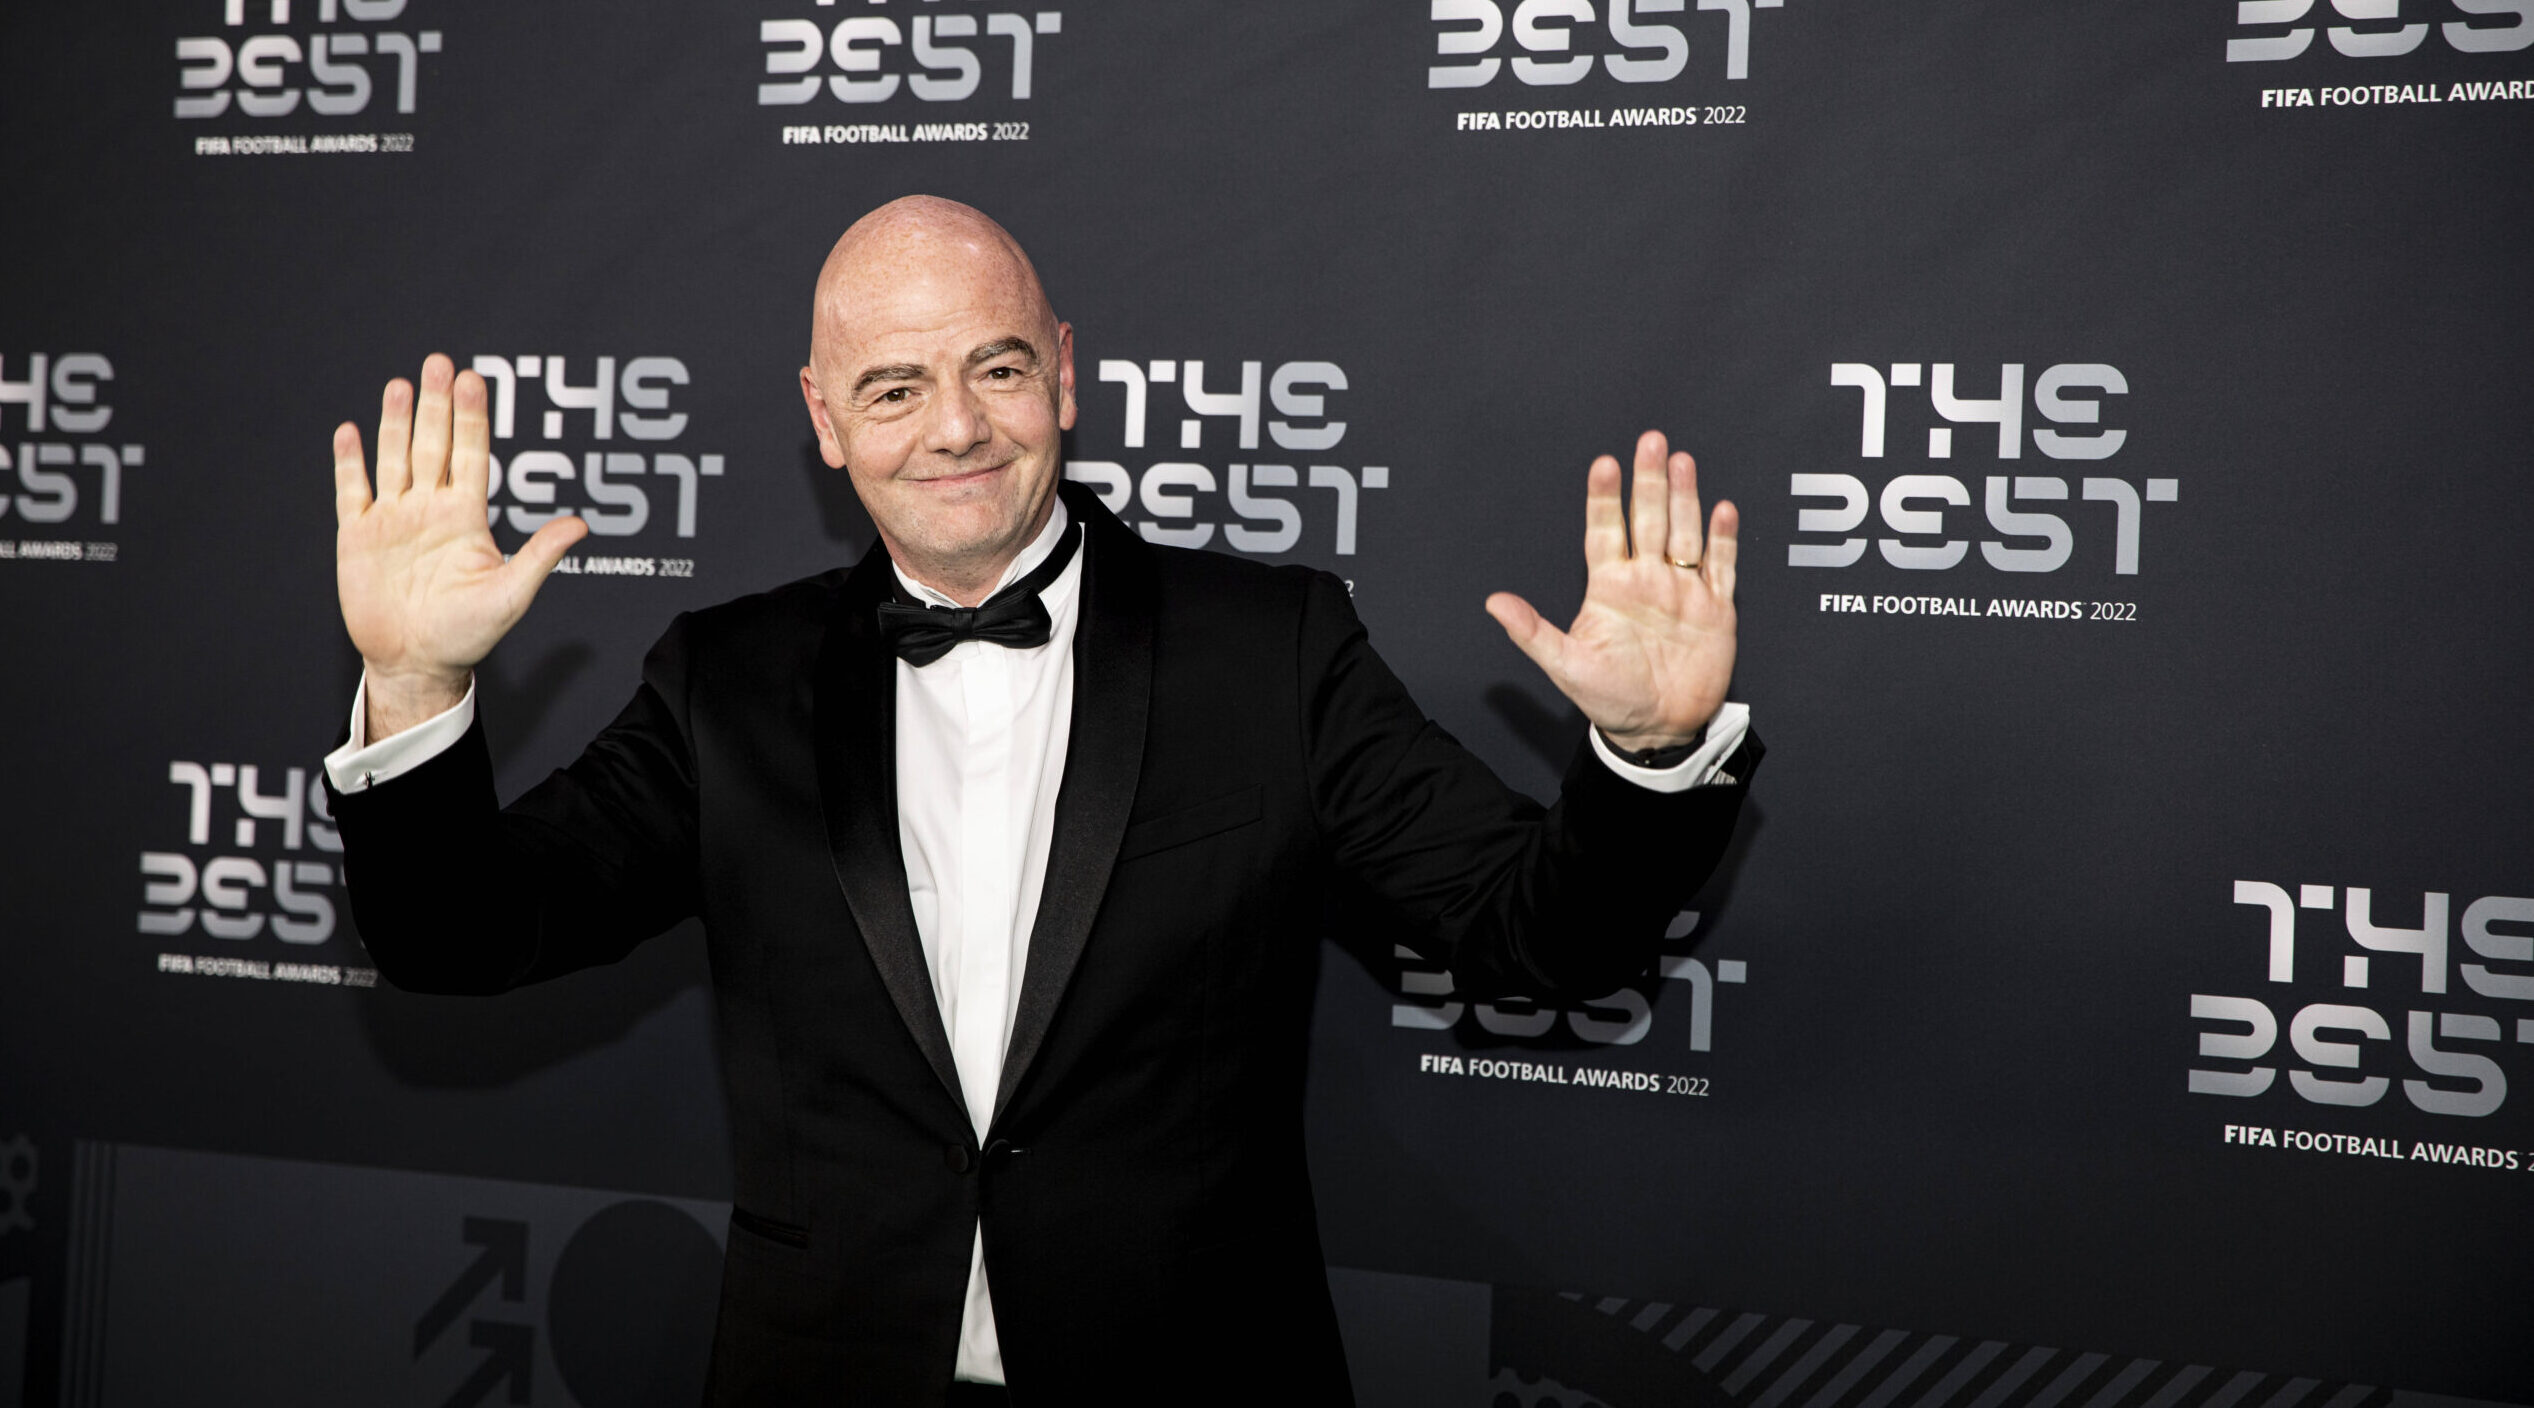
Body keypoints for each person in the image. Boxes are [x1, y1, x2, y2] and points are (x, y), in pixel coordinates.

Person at [322, 196, 1759, 1405]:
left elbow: (1539, 938)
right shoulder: (726, 680)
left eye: (996, 369)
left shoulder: (1272, 649)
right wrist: (410, 689)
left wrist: (1642, 759)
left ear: (1064, 375)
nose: (954, 427)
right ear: (825, 420)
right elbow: (461, 939)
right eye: (893, 387)